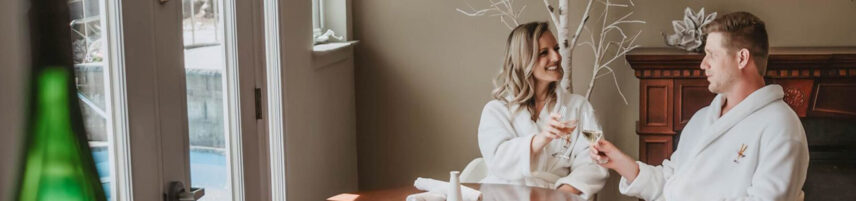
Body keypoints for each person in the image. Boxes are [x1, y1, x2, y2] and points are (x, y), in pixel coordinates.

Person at [590, 12, 809, 200]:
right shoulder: (703, 118)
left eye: (712, 54)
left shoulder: (781, 126)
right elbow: (672, 183)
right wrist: (619, 162)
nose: (703, 64)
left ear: (742, 58)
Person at [477, 22, 608, 200]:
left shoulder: (581, 108)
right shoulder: (496, 111)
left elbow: (596, 159)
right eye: (544, 52)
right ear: (524, 60)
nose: (556, 57)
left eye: (556, 48)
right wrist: (541, 140)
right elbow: (498, 160)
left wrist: (559, 195)